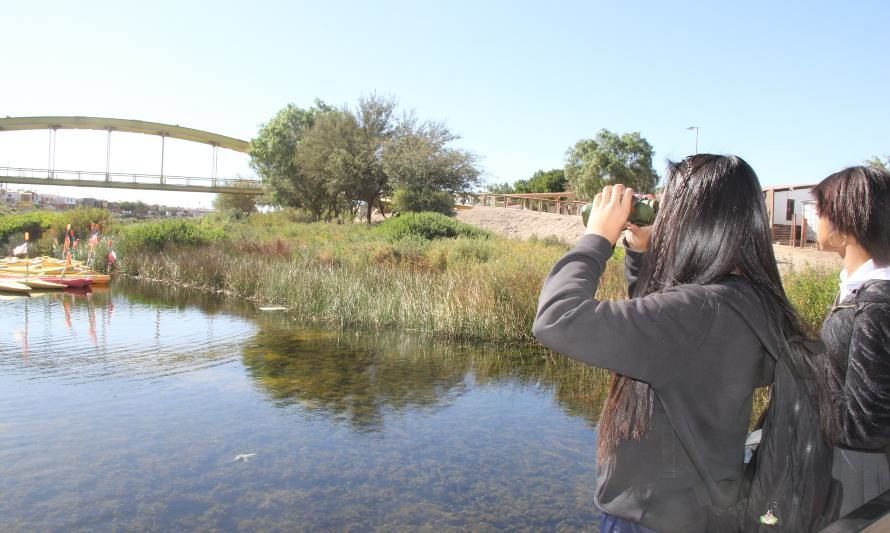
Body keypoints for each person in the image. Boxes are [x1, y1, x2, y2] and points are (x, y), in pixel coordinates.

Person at [533, 155, 838, 532]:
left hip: (651, 518)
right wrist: (641, 254)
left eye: (670, 205)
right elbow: (659, 340)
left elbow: (558, 319)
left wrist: (596, 239)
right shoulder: (747, 300)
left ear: (692, 218)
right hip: (706, 511)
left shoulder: (699, 312)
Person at [809, 165, 890, 516]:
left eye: (821, 210)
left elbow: (865, 422)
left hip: (857, 477)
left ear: (845, 227)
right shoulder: (861, 291)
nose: (815, 219)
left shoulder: (875, 304)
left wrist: (803, 397)